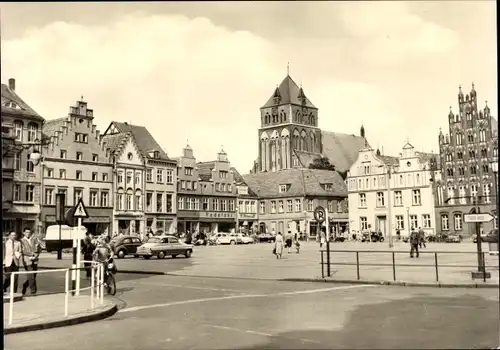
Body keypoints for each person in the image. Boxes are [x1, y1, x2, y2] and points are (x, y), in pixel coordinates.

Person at [20, 228, 42, 295]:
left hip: (35, 260)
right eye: (26, 232)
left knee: (33, 275)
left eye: (29, 232)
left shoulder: (34, 239)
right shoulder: (21, 241)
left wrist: (36, 255)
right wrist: (31, 254)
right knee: (31, 275)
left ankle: (25, 285)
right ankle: (33, 291)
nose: (28, 233)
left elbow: (39, 248)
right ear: (24, 233)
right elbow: (22, 251)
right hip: (27, 260)